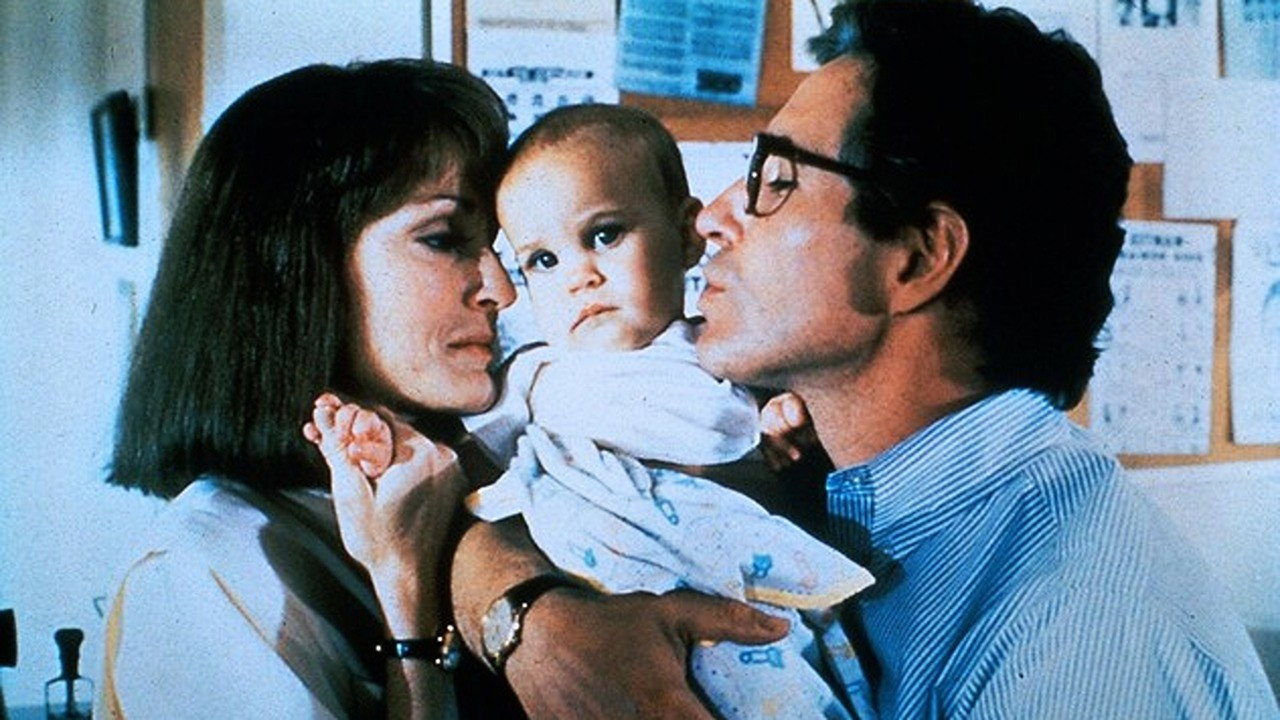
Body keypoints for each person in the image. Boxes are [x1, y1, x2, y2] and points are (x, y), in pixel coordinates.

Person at [450, 1, 1280, 717]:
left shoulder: (1079, 645)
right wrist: (526, 617)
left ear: (915, 258)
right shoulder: (844, 488)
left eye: (776, 178)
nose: (710, 219)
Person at [310, 104, 877, 720]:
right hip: (604, 606)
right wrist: (377, 443)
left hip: (741, 602)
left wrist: (783, 424)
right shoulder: (533, 375)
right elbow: (454, 469)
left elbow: (786, 430)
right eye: (543, 261)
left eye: (604, 235)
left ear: (686, 236)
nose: (579, 277)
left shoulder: (724, 349)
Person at [100, 59, 519, 719]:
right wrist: (407, 606)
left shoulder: (457, 492)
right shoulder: (205, 569)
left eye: (496, 246)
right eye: (444, 239)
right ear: (298, 266)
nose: (501, 289)